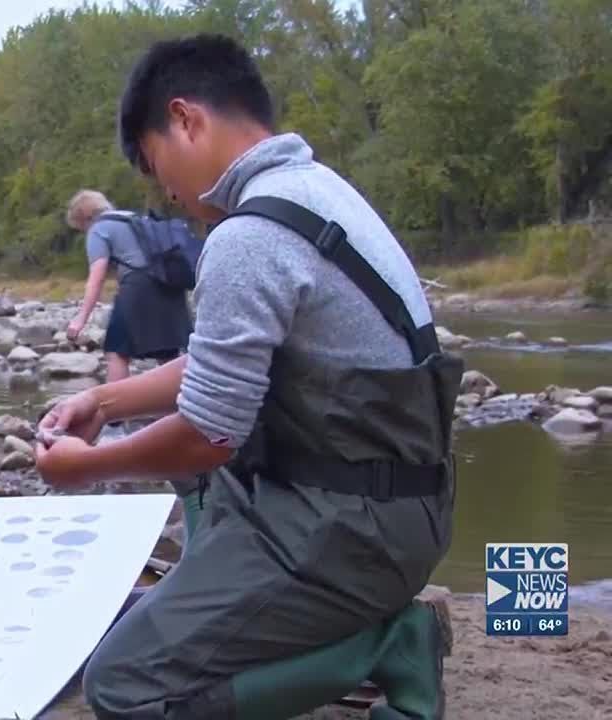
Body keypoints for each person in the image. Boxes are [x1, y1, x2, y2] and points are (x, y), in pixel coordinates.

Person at [35, 35, 460, 720]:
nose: (164, 191)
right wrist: (104, 400)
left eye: (154, 165)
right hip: (401, 511)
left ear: (185, 119)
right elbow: (217, 368)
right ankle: (238, 611)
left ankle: (385, 645)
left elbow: (208, 433)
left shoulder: (248, 236)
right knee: (195, 469)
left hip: (354, 537)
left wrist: (85, 469)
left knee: (121, 685)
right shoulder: (316, 191)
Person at [65, 190, 193, 384]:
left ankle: (115, 412)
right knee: (168, 354)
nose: (83, 232)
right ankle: (179, 407)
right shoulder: (133, 219)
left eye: (80, 227)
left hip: (138, 287)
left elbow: (96, 278)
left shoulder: (98, 229)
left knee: (117, 351)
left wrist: (81, 319)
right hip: (169, 283)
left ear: (84, 218)